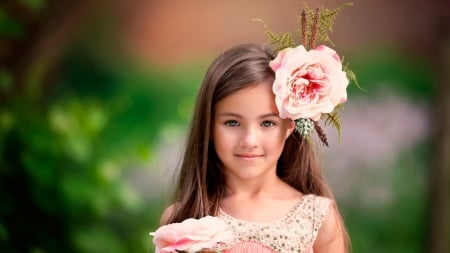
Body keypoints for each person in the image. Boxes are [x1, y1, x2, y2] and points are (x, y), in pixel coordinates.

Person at [156, 42, 351, 253]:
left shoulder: (317, 219)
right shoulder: (182, 222)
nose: (249, 140)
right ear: (209, 126)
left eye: (267, 123)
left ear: (289, 126)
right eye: (232, 123)